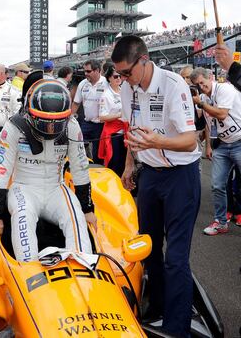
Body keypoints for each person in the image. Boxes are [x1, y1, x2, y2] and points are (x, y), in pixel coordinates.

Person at [112, 35, 200, 338]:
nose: (123, 80)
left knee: (176, 258)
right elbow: (130, 129)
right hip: (149, 174)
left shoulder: (174, 85)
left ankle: (178, 329)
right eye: (119, 74)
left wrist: (157, 141)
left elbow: (191, 141)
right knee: (148, 249)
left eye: (126, 73)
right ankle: (158, 305)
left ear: (144, 61)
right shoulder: (127, 88)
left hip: (180, 176)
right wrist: (128, 164)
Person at [0, 79, 97, 261]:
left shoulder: (72, 126)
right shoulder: (14, 126)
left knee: (76, 216)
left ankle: (84, 267)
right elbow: (0, 170)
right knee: (22, 215)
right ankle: (29, 270)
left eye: (57, 122)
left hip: (56, 188)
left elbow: (80, 167)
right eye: (45, 122)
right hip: (23, 188)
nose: (51, 128)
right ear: (29, 113)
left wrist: (87, 208)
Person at [190, 67, 241, 235]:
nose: (201, 88)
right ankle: (221, 222)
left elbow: (221, 114)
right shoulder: (203, 97)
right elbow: (207, 122)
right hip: (222, 145)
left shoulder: (224, 88)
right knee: (217, 185)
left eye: (202, 83)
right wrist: (209, 145)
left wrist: (201, 103)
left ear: (210, 77)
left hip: (239, 141)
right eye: (197, 85)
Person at [71, 59, 107, 164]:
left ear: (97, 70)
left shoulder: (106, 83)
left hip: (101, 125)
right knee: (76, 146)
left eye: (88, 71)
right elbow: (76, 103)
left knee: (97, 155)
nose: (85, 74)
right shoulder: (83, 83)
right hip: (87, 123)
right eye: (84, 71)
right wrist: (70, 118)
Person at [98, 66, 128, 177]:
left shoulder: (125, 91)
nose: (119, 78)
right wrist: (119, 115)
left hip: (125, 133)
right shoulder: (105, 95)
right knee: (114, 162)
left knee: (125, 162)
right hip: (113, 134)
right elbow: (102, 117)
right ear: (109, 78)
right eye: (116, 76)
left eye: (120, 76)